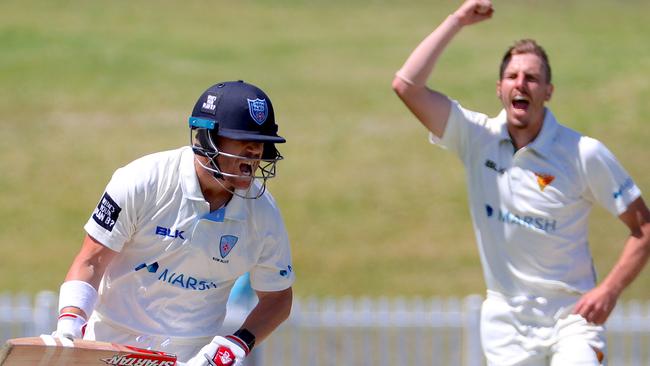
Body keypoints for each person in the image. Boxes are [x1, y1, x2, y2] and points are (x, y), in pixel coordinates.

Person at [392, 0, 650, 365]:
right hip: (505, 322)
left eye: (532, 78)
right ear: (500, 89)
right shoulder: (475, 137)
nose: (521, 84)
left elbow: (644, 226)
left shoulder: (582, 153)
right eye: (513, 76)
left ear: (548, 91)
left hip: (572, 318)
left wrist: (609, 290)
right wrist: (457, 20)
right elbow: (406, 85)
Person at [53, 80, 295, 366]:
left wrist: (237, 343)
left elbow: (278, 298)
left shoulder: (263, 213)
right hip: (109, 348)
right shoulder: (142, 181)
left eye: (261, 144)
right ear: (207, 139)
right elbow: (92, 260)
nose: (255, 153)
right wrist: (70, 322)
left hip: (191, 357)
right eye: (243, 141)